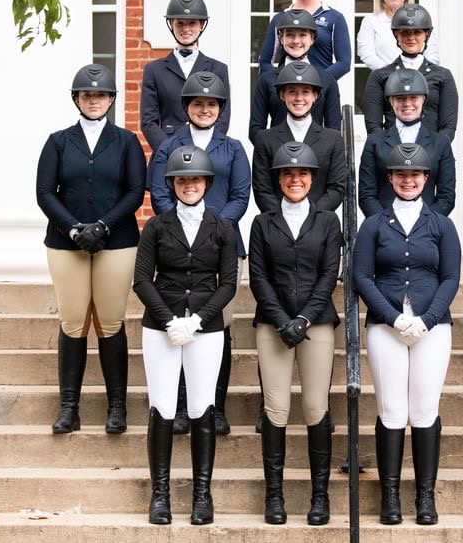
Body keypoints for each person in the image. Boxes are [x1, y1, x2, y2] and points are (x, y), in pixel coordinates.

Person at [353, 143, 461, 526]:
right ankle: (391, 496)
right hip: (387, 327)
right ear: (390, 179)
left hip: (432, 327)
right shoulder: (374, 224)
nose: (408, 180)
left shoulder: (441, 224)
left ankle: (425, 497)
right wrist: (391, 316)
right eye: (401, 174)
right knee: (392, 411)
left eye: (415, 174)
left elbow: (451, 277)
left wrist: (428, 318)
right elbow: (362, 276)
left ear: (426, 179)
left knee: (424, 410)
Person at [36, 64, 145, 437]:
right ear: (76, 99)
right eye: (87, 95)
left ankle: (117, 406)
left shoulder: (127, 142)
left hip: (116, 241)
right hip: (67, 244)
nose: (94, 100)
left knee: (111, 321)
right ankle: (70, 408)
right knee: (73, 321)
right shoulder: (58, 141)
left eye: (101, 95)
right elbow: (45, 192)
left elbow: (135, 190)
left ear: (111, 99)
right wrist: (72, 228)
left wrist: (103, 226)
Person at [134, 146, 238, 526]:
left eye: (195, 179)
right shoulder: (157, 227)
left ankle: (201, 494)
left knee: (201, 408)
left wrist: (197, 321)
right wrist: (167, 320)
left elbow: (228, 284)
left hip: (205, 329)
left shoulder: (223, 228)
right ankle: (159, 495)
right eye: (182, 180)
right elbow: (142, 280)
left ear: (206, 183)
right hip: (161, 327)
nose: (189, 185)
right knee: (162, 407)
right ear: (173, 184)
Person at [150, 72, 250, 436]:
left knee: (215, 328)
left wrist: (212, 231)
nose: (204, 109)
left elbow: (241, 196)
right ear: (187, 107)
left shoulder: (234, 148)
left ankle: (213, 406)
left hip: (223, 248)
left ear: (220, 109)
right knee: (177, 327)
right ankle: (179, 406)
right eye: (197, 103)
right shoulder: (168, 147)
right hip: (175, 250)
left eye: (211, 104)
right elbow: (160, 194)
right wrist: (183, 232)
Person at [249, 142, 343, 526]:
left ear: (312, 179)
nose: (295, 179)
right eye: (288, 174)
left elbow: (329, 273)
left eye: (302, 173)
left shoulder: (327, 222)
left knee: (316, 408)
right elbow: (258, 275)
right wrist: (280, 318)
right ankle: (275, 496)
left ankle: (320, 496)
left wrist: (302, 319)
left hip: (316, 323)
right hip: (272, 325)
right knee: (276, 409)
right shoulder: (263, 222)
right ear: (278, 179)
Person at [140, 0, 230, 152]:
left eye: (192, 23)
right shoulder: (154, 70)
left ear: (201, 25)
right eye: (180, 23)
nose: (186, 29)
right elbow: (148, 122)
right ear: (171, 25)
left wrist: (205, 149)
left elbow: (223, 118)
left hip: (207, 152)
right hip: (167, 150)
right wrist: (168, 150)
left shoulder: (218, 69)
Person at [359, 68, 455, 216]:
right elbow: (366, 195)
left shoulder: (441, 143)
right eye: (400, 98)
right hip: (384, 228)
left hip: (428, 229)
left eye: (413, 97)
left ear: (424, 99)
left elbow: (446, 197)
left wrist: (425, 224)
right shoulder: (375, 142)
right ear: (391, 101)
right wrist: (386, 225)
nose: (407, 103)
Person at [252, 60, 346, 214]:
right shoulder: (265, 139)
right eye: (292, 91)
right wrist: (283, 220)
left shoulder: (333, 139)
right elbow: (262, 190)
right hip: (277, 226)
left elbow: (336, 189)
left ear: (315, 96)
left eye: (306, 92)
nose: (298, 98)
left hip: (320, 225)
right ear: (282, 95)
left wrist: (311, 218)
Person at [362, 4, 459, 141]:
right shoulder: (379, 76)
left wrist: (435, 150)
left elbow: (448, 126)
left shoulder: (443, 76)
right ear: (396, 35)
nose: (411, 38)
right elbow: (373, 126)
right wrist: (389, 150)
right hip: (391, 154)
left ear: (426, 34)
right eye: (405, 32)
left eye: (417, 32)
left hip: (432, 155)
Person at [249, 9, 341, 145]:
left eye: (303, 35)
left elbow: (334, 130)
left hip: (316, 159)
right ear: (281, 38)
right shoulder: (267, 80)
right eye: (290, 35)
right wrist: (277, 154)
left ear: (312, 38)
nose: (296, 41)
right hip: (276, 158)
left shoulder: (327, 80)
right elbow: (255, 129)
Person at [258, 0, 352, 80]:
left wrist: (314, 82)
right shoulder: (279, 19)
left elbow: (344, 64)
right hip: (286, 95)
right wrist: (284, 82)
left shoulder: (335, 18)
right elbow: (264, 63)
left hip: (322, 93)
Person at [356, 0, 439, 69]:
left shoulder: (421, 18)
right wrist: (392, 74)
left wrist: (417, 75)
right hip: (384, 80)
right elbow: (366, 54)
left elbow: (432, 55)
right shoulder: (371, 21)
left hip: (420, 80)